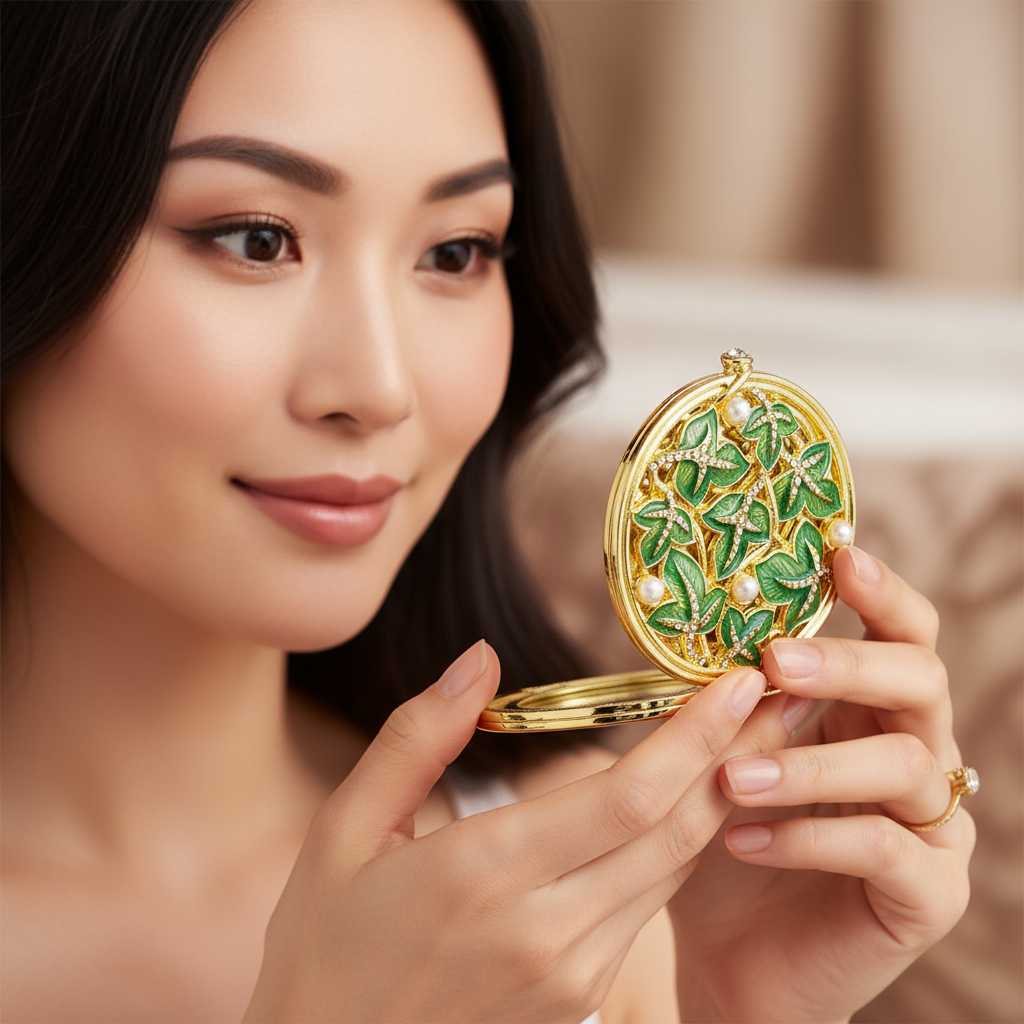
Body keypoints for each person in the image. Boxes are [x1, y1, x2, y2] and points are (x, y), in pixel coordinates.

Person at [0, 2, 975, 1021]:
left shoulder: (577, 883)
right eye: (257, 237)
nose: (379, 385)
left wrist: (730, 1005)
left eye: (457, 251)